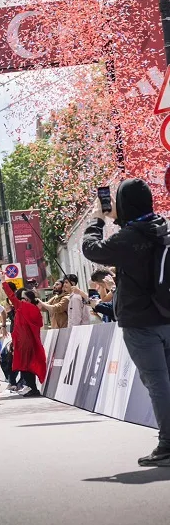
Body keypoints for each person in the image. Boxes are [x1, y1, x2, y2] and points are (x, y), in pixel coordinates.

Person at [82, 178, 170, 466]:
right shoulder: (164, 227)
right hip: (168, 313)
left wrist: (97, 220)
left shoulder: (128, 238)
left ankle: (168, 444)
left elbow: (92, 249)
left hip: (140, 321)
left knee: (158, 382)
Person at [1, 281, 46, 397]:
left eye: (24, 298)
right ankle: (33, 387)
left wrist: (3, 282)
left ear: (29, 300)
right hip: (30, 342)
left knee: (24, 366)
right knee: (27, 366)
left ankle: (33, 388)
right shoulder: (34, 310)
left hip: (24, 343)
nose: (21, 300)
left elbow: (11, 296)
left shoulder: (24, 307)